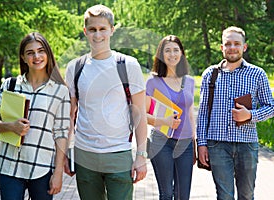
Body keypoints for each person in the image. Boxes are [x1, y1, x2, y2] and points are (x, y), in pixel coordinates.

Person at [65, 4, 147, 200]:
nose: (97, 35)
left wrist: (141, 156)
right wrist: (68, 153)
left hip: (119, 154)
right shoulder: (75, 67)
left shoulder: (128, 65)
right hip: (84, 154)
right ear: (85, 31)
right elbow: (70, 114)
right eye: (92, 29)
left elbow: (139, 114)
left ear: (112, 30)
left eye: (102, 29)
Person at [0, 32, 71, 200]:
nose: (36, 56)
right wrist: (10, 126)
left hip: (41, 167)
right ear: (23, 58)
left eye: (41, 51)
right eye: (30, 52)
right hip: (9, 165)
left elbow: (61, 134)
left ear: (48, 54)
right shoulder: (10, 85)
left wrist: (58, 172)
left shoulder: (60, 91)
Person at [197, 26, 274, 200]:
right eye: (228, 44)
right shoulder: (210, 74)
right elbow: (203, 113)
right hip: (217, 145)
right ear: (222, 47)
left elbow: (271, 106)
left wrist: (250, 115)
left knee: (247, 195)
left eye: (236, 44)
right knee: (224, 196)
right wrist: (201, 144)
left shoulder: (257, 74)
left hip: (246, 145)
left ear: (244, 47)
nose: (232, 47)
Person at [146, 35, 196, 200]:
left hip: (185, 143)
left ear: (181, 53)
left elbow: (190, 113)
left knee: (183, 195)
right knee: (166, 194)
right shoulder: (153, 81)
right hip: (161, 142)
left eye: (176, 50)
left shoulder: (188, 81)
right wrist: (164, 122)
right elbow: (143, 115)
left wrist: (195, 142)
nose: (172, 54)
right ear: (161, 54)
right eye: (167, 50)